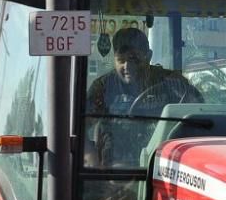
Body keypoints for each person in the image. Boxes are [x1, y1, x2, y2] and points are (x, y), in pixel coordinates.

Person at [86, 27, 202, 167]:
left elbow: (200, 114)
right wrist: (92, 158)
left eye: (134, 59)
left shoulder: (170, 83)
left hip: (163, 166)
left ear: (148, 56)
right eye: (121, 60)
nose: (127, 66)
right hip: (116, 170)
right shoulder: (104, 87)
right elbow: (81, 126)